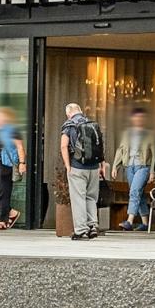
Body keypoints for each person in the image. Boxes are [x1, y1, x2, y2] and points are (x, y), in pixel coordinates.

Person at [59, 101, 105, 240]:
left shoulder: (69, 125)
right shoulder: (92, 124)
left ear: (68, 113)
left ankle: (81, 230)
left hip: (78, 167)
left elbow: (63, 146)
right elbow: (100, 147)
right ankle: (93, 226)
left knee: (78, 198)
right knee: (91, 197)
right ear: (80, 110)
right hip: (94, 167)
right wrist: (102, 166)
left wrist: (68, 166)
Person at [112, 105, 155, 232]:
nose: (139, 120)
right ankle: (145, 223)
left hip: (143, 167)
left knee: (134, 191)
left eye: (141, 118)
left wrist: (152, 171)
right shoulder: (127, 133)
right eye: (136, 118)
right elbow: (120, 150)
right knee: (139, 193)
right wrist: (116, 166)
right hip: (129, 166)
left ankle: (129, 221)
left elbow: (154, 155)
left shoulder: (149, 134)